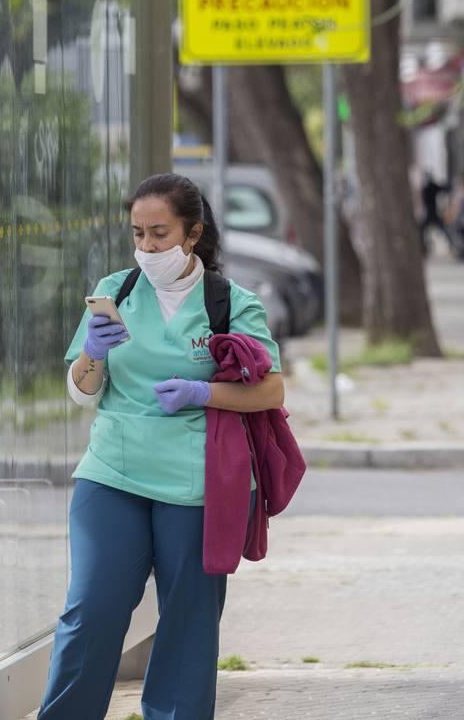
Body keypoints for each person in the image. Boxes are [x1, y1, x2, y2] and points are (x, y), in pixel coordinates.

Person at [39, 173, 285, 720]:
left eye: (159, 234)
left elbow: (271, 388)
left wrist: (204, 392)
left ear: (192, 233)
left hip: (199, 483)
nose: (147, 248)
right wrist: (92, 354)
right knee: (92, 609)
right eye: (138, 234)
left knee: (190, 621)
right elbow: (82, 393)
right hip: (113, 472)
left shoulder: (229, 301)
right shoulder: (116, 291)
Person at [419, 172, 449, 256]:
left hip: (430, 212)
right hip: (431, 212)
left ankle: (423, 247)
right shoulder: (431, 186)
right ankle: (423, 247)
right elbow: (444, 188)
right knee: (426, 229)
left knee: (424, 229)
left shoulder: (427, 187)